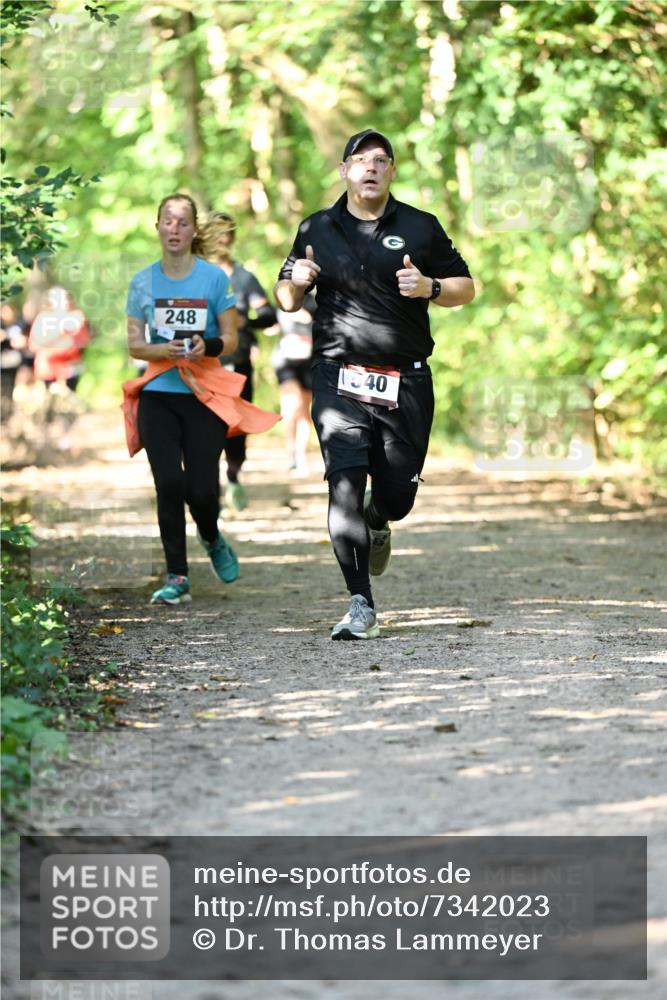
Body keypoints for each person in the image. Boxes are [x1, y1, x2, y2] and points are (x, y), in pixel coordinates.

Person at [275, 129, 475, 640]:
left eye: (381, 160)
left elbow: (466, 287)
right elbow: (286, 298)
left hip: (405, 381)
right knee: (343, 483)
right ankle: (360, 603)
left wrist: (430, 287)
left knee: (397, 496)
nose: (371, 167)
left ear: (392, 171)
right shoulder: (316, 227)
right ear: (344, 170)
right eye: (361, 160)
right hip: (337, 377)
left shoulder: (420, 226)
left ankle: (380, 517)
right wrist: (296, 281)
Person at [124, 193, 279, 605]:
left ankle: (211, 536)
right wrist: (163, 350)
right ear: (157, 227)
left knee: (203, 491)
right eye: (168, 221)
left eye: (183, 222)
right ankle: (177, 576)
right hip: (158, 394)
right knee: (168, 484)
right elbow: (135, 345)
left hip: (203, 395)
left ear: (194, 230)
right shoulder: (142, 281)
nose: (174, 229)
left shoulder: (213, 279)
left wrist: (204, 345)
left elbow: (231, 339)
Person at [209, 212, 277, 511]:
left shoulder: (243, 278)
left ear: (232, 238)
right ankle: (207, 488)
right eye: (215, 233)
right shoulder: (192, 276)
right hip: (202, 364)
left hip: (237, 362)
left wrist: (244, 321)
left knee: (237, 425)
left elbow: (268, 315)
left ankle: (233, 476)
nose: (221, 240)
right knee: (204, 425)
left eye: (226, 233)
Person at [273, 293, 316, 476]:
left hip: (309, 361)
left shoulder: (315, 300)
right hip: (286, 361)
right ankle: (290, 454)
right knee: (291, 407)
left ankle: (301, 455)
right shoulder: (284, 295)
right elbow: (270, 319)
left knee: (305, 411)